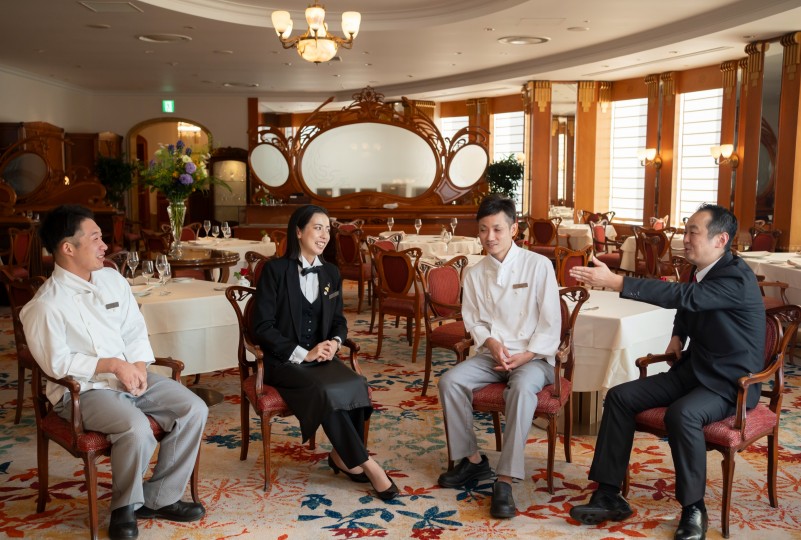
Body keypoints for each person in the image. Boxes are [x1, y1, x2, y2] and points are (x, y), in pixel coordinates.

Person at [567, 204, 764, 540]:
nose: (684, 238)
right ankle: (609, 493)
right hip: (694, 369)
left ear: (721, 240)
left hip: (730, 382)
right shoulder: (700, 270)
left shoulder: (736, 277)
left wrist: (617, 281)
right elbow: (687, 306)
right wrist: (677, 337)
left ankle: (694, 508)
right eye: (685, 231)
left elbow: (687, 296)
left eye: (693, 232)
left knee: (682, 414)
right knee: (620, 396)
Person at [20, 205, 208, 540]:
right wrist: (111, 365)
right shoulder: (44, 305)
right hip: (83, 391)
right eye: (95, 238)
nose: (104, 245)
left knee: (193, 408)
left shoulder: (111, 279)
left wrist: (138, 365)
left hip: (129, 376)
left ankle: (160, 498)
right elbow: (56, 364)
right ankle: (124, 508)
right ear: (68, 248)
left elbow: (134, 329)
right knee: (135, 428)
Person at [251, 204, 398, 500]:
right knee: (326, 392)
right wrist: (301, 353)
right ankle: (367, 464)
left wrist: (335, 341)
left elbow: (338, 321)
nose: (324, 235)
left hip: (320, 358)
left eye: (327, 230)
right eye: (317, 228)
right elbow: (261, 327)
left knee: (356, 383)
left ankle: (342, 457)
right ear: (298, 231)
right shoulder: (274, 271)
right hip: (283, 361)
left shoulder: (331, 272)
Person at [437, 194, 562, 518]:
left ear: (514, 229)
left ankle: (504, 479)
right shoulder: (474, 273)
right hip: (492, 355)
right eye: (483, 230)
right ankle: (472, 460)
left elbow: (551, 321)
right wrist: (491, 343)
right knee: (450, 381)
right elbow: (474, 321)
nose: (489, 237)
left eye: (497, 229)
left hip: (534, 357)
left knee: (520, 389)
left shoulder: (538, 265)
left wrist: (528, 354)